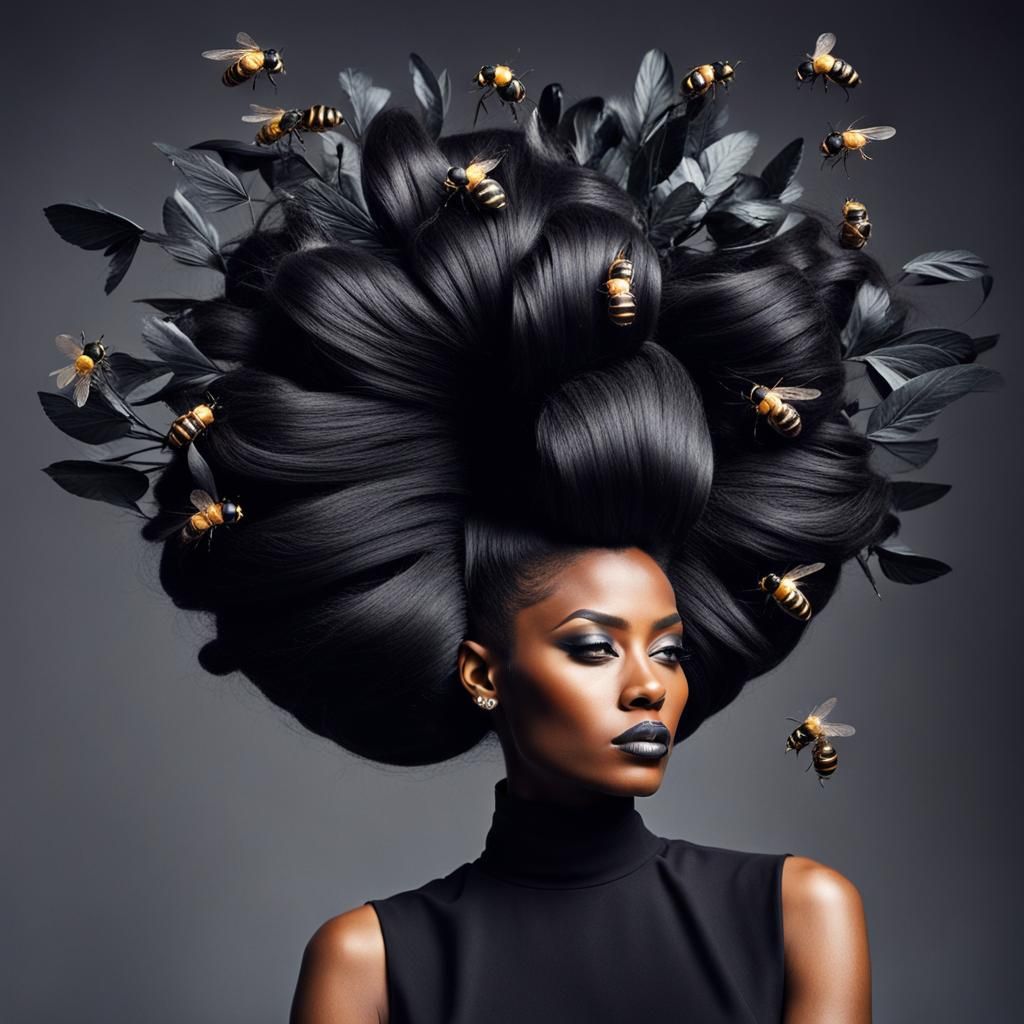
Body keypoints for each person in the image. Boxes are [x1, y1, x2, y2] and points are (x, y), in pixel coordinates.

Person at [39, 52, 1000, 1024]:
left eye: (664, 647)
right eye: (594, 644)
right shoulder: (367, 964)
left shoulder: (801, 915)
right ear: (483, 672)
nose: (649, 683)